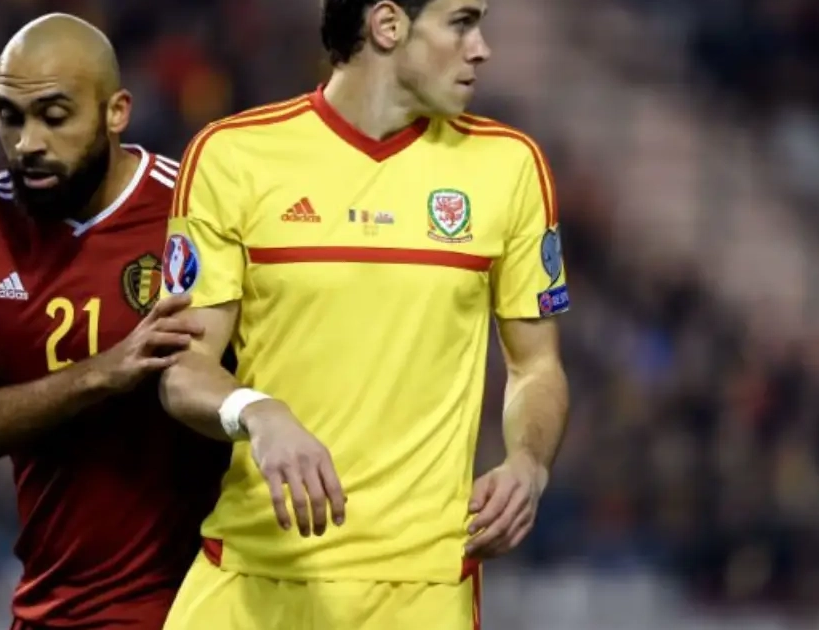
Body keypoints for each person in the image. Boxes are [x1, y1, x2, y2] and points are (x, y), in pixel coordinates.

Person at [157, 0, 570, 628]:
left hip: (421, 588)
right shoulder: (231, 156)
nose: (481, 48)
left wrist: (529, 463)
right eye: (461, 22)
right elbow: (184, 369)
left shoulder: (510, 167)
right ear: (387, 24)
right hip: (252, 571)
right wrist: (258, 412)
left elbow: (536, 366)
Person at [0, 14, 227, 629]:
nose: (28, 142)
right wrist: (103, 373)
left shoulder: (193, 210)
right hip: (54, 609)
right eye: (10, 117)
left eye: (54, 117)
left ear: (117, 112)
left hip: (195, 608)